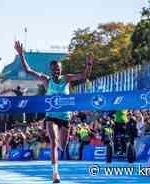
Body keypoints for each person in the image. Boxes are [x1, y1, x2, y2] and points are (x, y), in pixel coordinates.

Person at [14, 40, 93, 183]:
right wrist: (21, 54)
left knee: (63, 146)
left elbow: (84, 76)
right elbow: (28, 70)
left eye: (59, 68)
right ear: (51, 70)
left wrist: (89, 64)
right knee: (54, 144)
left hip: (65, 117)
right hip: (51, 116)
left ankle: (60, 154)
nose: (57, 70)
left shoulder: (66, 79)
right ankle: (55, 173)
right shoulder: (46, 80)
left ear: (61, 69)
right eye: (55, 68)